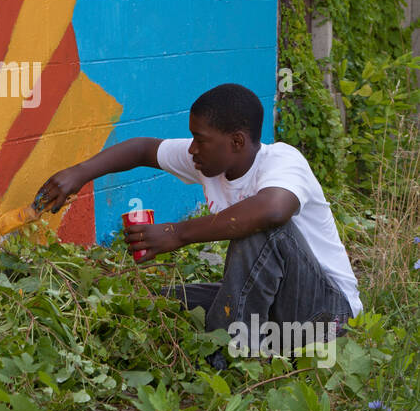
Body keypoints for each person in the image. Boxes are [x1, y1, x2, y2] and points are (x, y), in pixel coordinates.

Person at [34, 83, 361, 364]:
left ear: (236, 142)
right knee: (165, 303)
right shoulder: (209, 161)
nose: (192, 148)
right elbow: (143, 149)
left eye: (200, 139)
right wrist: (78, 174)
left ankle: (227, 360)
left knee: (258, 225)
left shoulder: (282, 161)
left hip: (325, 318)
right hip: (277, 317)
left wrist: (178, 233)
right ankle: (245, 342)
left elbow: (274, 210)